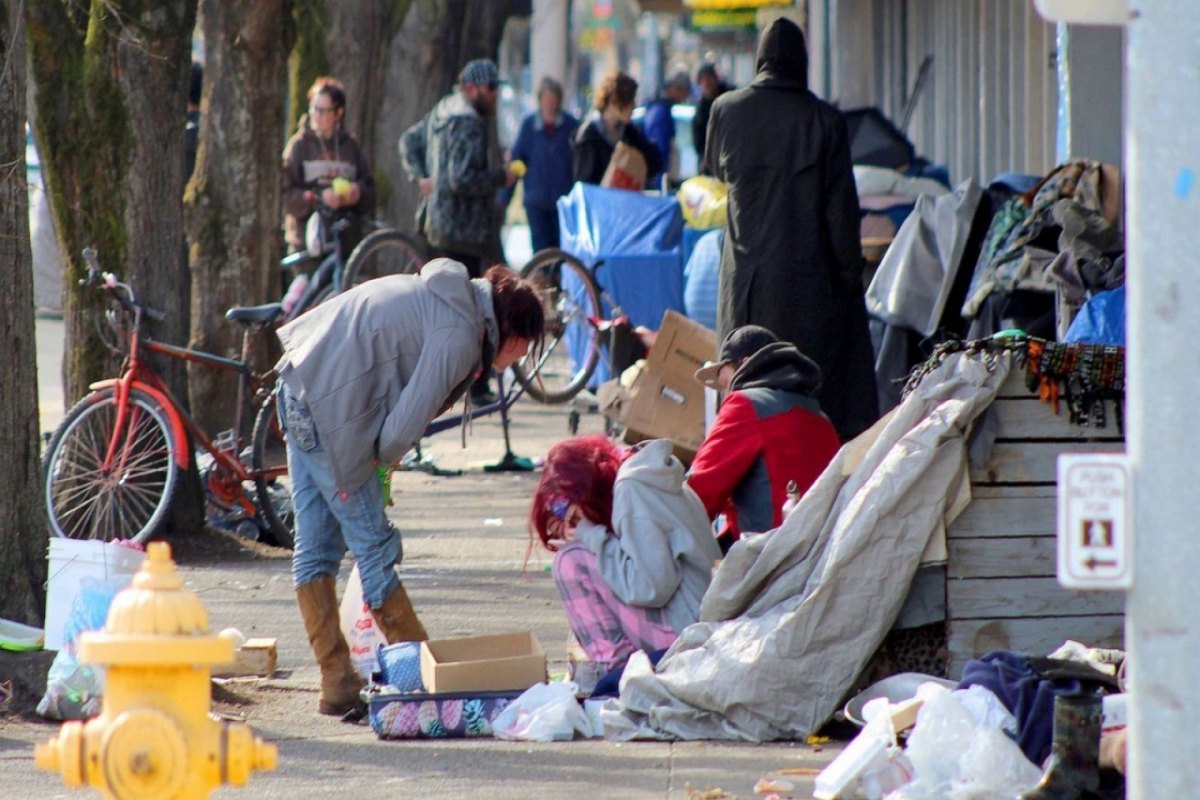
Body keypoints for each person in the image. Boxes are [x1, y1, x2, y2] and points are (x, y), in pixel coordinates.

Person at [276, 259, 544, 715]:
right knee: (374, 546)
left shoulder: (451, 300)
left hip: (299, 383)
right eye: (523, 350)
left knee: (316, 548)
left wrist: (379, 464)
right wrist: (379, 467)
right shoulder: (460, 334)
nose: (518, 360)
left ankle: (338, 682)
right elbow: (401, 429)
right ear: (513, 335)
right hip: (330, 411)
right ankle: (428, 682)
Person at [705, 18, 879, 442]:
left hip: (744, 293)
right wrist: (850, 278)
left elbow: (714, 170)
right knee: (811, 406)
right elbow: (842, 219)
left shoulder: (725, 111)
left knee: (746, 405)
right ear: (802, 62)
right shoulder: (826, 122)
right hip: (808, 294)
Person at [529, 436, 721, 668]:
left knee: (570, 562)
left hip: (688, 634)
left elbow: (651, 588)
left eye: (559, 506)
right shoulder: (644, 477)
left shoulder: (631, 488)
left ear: (580, 488)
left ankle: (617, 674)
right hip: (698, 621)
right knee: (583, 555)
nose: (562, 516)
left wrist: (592, 536)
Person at [688, 325, 841, 552]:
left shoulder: (744, 405)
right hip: (823, 556)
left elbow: (698, 494)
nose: (725, 392)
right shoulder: (822, 419)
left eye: (724, 382)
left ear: (744, 362)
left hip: (766, 563)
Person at [400, 58, 515, 279]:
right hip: (465, 234)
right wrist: (501, 176)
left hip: (436, 227)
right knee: (466, 300)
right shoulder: (468, 124)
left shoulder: (441, 113)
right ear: (472, 89)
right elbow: (462, 179)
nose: (495, 95)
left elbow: (408, 141)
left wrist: (420, 175)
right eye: (491, 87)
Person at [282, 76, 376, 255]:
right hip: (307, 247)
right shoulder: (299, 146)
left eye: (323, 111)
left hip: (347, 244)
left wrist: (357, 194)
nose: (316, 115)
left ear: (338, 113)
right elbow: (284, 197)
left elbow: (371, 194)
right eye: (313, 109)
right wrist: (319, 197)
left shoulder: (351, 147)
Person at [508, 77, 578, 252]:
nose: (549, 103)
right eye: (546, 99)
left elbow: (579, 161)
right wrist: (506, 193)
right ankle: (542, 279)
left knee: (561, 248)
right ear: (540, 100)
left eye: (553, 99)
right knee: (540, 249)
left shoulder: (570, 125)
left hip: (563, 200)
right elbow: (518, 160)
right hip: (536, 200)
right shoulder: (529, 125)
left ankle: (557, 279)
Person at [572, 70, 663, 188]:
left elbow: (654, 163)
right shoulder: (589, 136)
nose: (633, 107)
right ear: (615, 100)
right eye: (629, 101)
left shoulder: (628, 133)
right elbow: (583, 185)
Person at [639, 71, 690, 189]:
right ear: (673, 88)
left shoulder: (658, 110)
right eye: (684, 91)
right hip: (658, 181)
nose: (685, 96)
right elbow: (660, 150)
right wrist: (661, 185)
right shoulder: (661, 114)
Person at [691, 62, 731, 169]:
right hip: (710, 164)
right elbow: (698, 140)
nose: (707, 83)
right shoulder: (701, 108)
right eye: (703, 81)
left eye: (709, 79)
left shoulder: (729, 99)